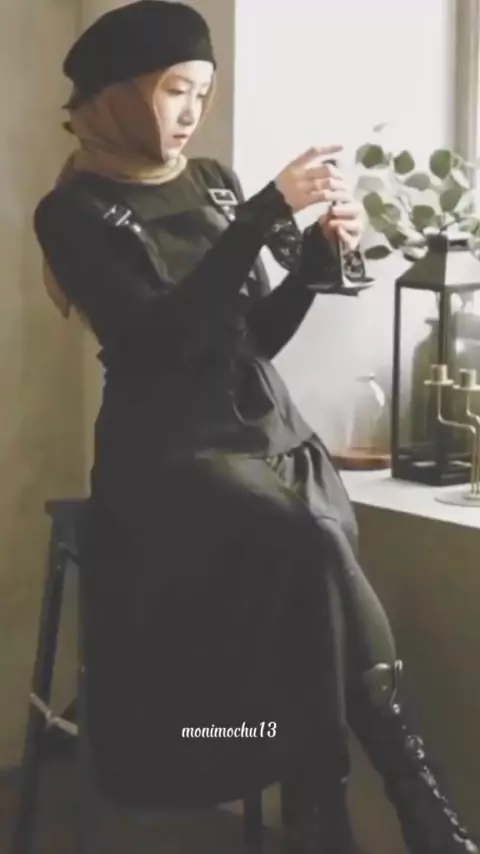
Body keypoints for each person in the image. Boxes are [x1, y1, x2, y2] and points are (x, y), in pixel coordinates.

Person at [33, 3, 478, 853]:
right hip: (167, 451)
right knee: (312, 536)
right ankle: (409, 805)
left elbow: (252, 338)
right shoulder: (74, 210)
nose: (191, 112)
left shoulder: (212, 182)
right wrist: (260, 215)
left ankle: (330, 815)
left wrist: (311, 267)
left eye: (202, 93)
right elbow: (159, 343)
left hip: (267, 433)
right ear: (117, 95)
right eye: (174, 90)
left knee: (316, 547)